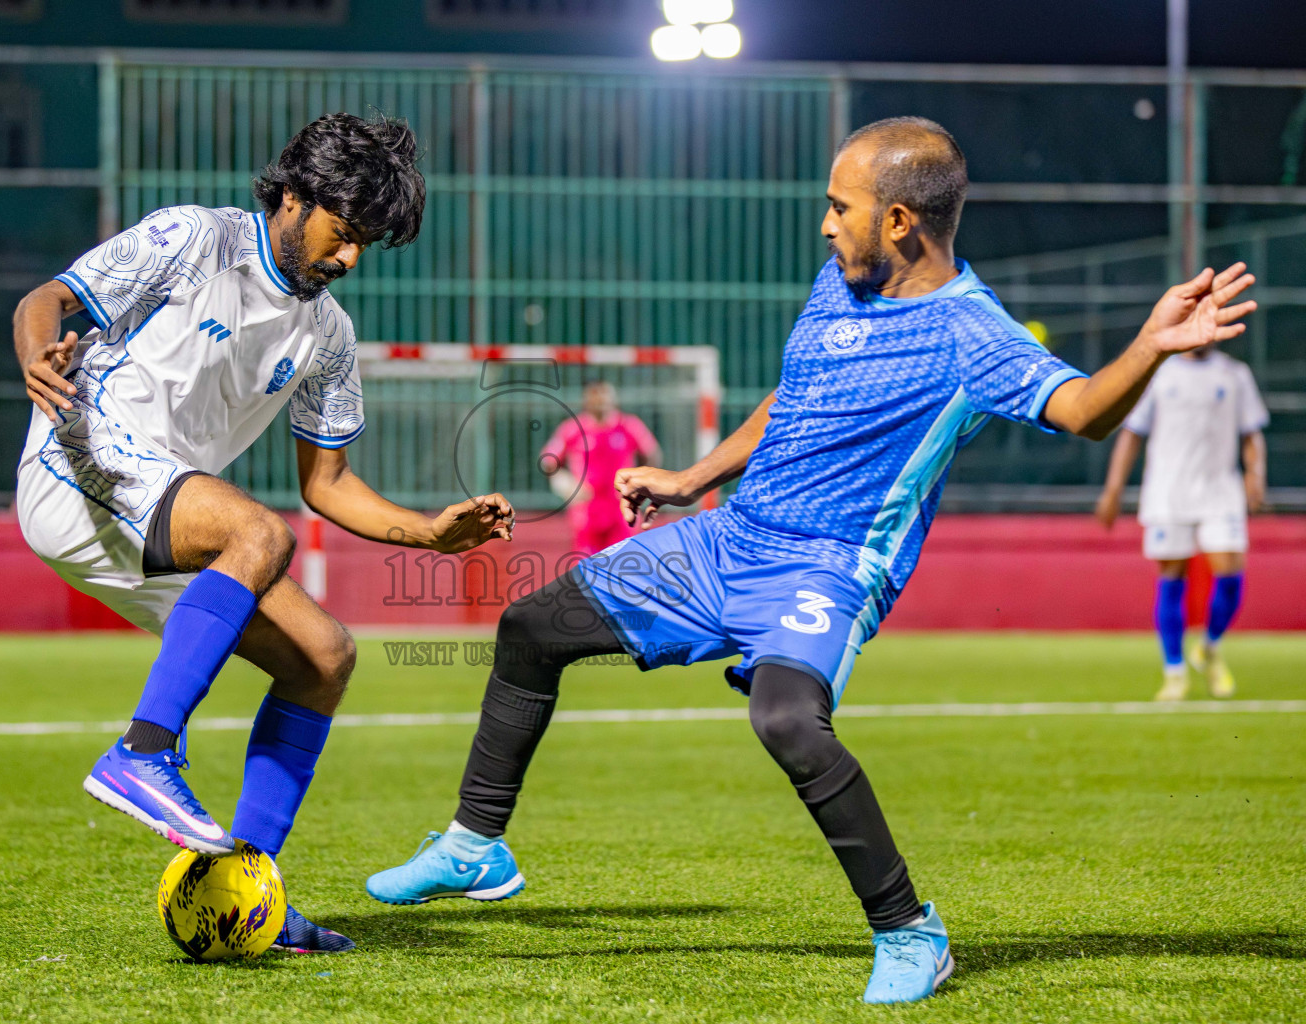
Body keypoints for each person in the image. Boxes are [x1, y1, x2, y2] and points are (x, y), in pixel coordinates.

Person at [363, 117, 1256, 1003]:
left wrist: (1150, 344)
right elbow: (793, 396)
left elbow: (1085, 411)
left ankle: (910, 931)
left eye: (840, 206)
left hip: (827, 567)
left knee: (787, 720)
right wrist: (692, 479)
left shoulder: (973, 335)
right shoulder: (842, 281)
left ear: (899, 220)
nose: (826, 225)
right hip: (728, 540)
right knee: (532, 627)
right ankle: (475, 847)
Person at [13, 113, 514, 954]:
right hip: (78, 467)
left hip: (160, 521)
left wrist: (429, 534)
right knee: (259, 532)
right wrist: (37, 355)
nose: (349, 258)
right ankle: (143, 752)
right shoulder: (192, 239)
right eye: (342, 233)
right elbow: (49, 299)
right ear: (292, 196)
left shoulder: (329, 336)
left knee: (324, 656)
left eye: (364, 245)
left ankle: (249, 894)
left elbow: (329, 484)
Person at [1094, 345, 1268, 700]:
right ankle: (1174, 671)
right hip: (1168, 491)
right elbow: (1132, 433)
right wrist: (1113, 490)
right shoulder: (1159, 374)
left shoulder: (1234, 374)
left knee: (1230, 573)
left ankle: (1209, 647)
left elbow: (1251, 432)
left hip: (1220, 490)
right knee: (1172, 577)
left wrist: (1256, 474)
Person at [540, 380, 661, 555]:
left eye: (604, 395)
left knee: (623, 560)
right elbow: (547, 460)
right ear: (586, 400)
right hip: (586, 510)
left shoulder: (628, 425)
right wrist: (563, 482)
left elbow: (652, 453)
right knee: (587, 562)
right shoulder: (572, 428)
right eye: (595, 396)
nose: (600, 401)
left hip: (621, 507)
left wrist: (641, 485)